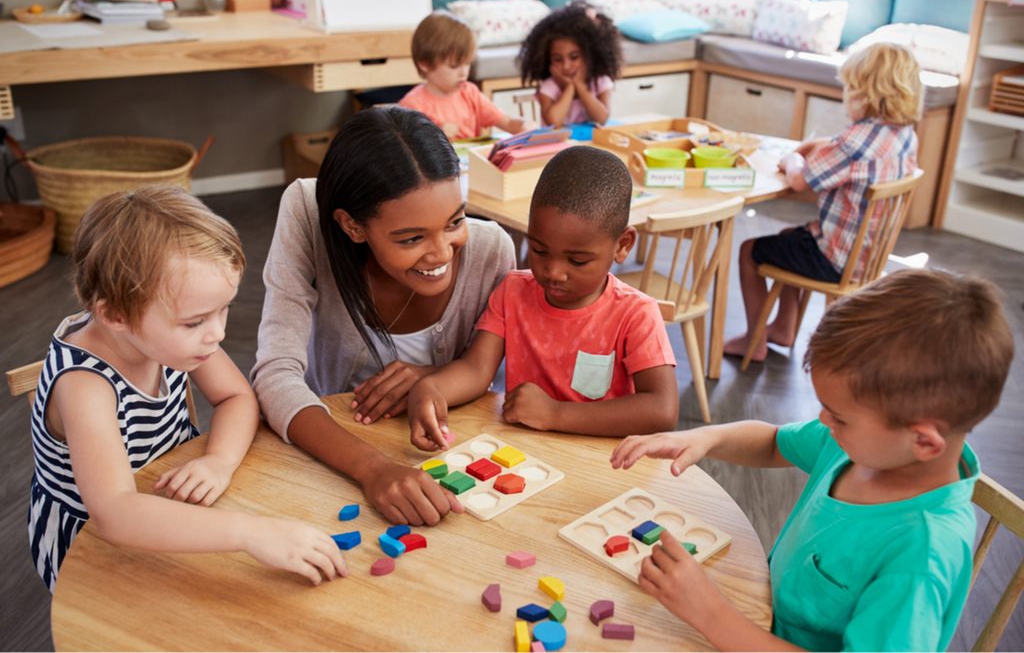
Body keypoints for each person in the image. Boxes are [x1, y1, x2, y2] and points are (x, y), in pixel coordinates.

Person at [611, 269, 1014, 651]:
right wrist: (704, 437)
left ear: (924, 442)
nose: (824, 421)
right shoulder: (863, 446)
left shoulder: (920, 556)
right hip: (758, 619)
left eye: (838, 416)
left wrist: (712, 615)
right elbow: (773, 443)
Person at [28, 186, 347, 592]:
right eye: (195, 321)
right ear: (115, 315)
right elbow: (114, 512)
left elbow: (236, 397)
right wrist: (249, 533)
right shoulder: (84, 386)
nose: (217, 333)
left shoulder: (165, 335)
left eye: (223, 309)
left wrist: (219, 460)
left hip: (170, 495)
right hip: (90, 544)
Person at [251, 107, 516, 525]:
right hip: (330, 450)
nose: (442, 253)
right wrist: (373, 469)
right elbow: (274, 374)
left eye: (455, 221)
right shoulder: (308, 210)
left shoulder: (491, 251)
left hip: (445, 458)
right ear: (352, 227)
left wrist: (433, 375)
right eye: (411, 238)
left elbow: (491, 378)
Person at [407, 146, 678, 450]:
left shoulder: (636, 314)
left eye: (577, 261)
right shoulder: (513, 291)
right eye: (539, 251)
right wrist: (432, 387)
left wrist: (555, 413)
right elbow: (476, 369)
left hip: (601, 462)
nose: (553, 272)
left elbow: (662, 410)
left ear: (622, 245)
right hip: (525, 455)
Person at [724, 42, 922, 362]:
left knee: (750, 251)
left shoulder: (854, 141)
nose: (846, 97)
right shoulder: (904, 135)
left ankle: (754, 340)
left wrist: (791, 159)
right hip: (867, 256)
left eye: (849, 90)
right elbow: (853, 155)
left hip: (835, 260)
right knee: (790, 237)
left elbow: (801, 180)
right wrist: (825, 145)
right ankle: (783, 328)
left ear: (865, 94)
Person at [398, 10, 525, 140]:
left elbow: (508, 123)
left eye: (467, 63)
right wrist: (435, 136)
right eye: (454, 66)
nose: (464, 72)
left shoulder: (470, 93)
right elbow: (409, 150)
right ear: (424, 64)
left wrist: (521, 125)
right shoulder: (412, 106)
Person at [518, 1, 623, 128]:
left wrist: (581, 87)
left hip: (589, 145)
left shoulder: (600, 81)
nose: (566, 66)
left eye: (574, 57)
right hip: (560, 147)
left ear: (590, 55)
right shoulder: (549, 87)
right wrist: (569, 88)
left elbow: (601, 119)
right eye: (557, 59)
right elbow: (554, 122)